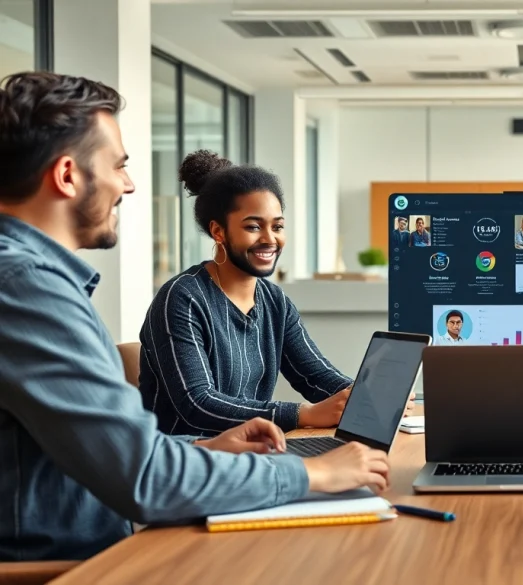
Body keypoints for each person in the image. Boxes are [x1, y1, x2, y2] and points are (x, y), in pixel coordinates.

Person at [0, 72, 389, 562]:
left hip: (112, 539)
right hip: (72, 565)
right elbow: (144, 476)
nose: (129, 184)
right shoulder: (25, 289)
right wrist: (314, 473)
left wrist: (204, 449)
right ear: (67, 175)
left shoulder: (35, 282)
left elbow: (124, 458)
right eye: (118, 165)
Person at [139, 150, 411, 437]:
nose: (270, 239)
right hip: (186, 461)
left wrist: (365, 399)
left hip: (251, 452)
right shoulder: (182, 298)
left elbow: (315, 375)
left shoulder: (274, 301)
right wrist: (302, 414)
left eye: (278, 226)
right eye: (253, 227)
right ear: (218, 232)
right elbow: (197, 404)